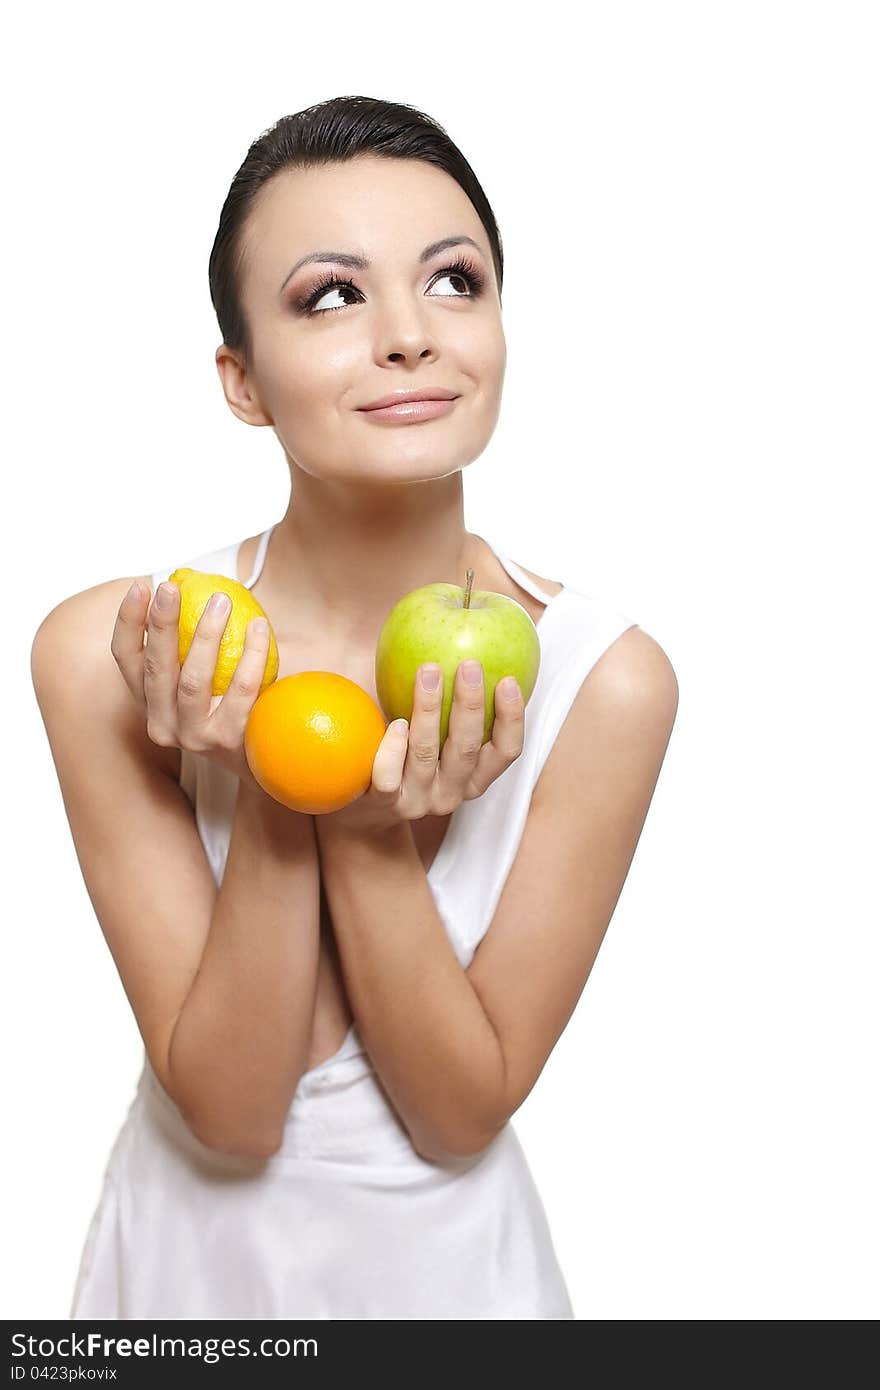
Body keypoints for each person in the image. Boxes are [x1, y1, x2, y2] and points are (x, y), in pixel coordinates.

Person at [30, 95, 679, 1320]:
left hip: (455, 1290)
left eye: (454, 281)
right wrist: (289, 793)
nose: (407, 337)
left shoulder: (606, 677)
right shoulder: (112, 651)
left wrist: (364, 824)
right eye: (331, 295)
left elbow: (456, 1113)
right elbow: (232, 1112)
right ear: (242, 381)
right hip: (182, 1291)